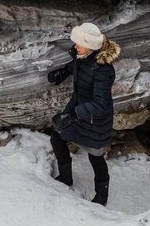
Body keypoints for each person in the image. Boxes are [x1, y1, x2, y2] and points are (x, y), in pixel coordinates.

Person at [47, 22, 120, 206]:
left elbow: (101, 104)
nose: (75, 46)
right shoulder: (83, 56)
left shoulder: (103, 70)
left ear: (90, 46)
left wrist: (71, 116)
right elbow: (77, 66)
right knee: (57, 138)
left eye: (79, 43)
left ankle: (101, 195)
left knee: (95, 157)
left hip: (94, 120)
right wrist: (63, 72)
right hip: (77, 111)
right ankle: (65, 177)